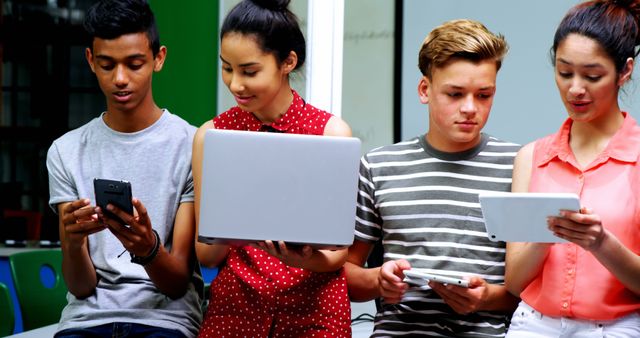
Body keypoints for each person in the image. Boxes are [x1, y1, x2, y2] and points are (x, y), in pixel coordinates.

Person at [344, 19, 521, 337]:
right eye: (455, 94)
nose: (470, 108)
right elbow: (346, 275)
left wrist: (486, 298)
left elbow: (539, 292)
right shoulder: (378, 166)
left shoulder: (519, 166)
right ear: (425, 90)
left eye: (484, 95)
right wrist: (379, 281)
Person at [192, 0, 353, 336]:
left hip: (314, 309)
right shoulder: (212, 136)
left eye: (249, 71)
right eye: (227, 68)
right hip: (236, 308)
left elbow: (337, 255)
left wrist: (298, 260)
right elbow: (206, 254)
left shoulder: (331, 134)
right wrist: (229, 209)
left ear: (288, 62)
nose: (235, 84)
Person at [46, 0, 202, 337]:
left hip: (165, 321)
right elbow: (82, 287)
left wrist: (147, 247)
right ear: (90, 61)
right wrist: (73, 244)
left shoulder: (192, 146)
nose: (120, 79)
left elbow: (176, 284)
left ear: (159, 58)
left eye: (134, 64)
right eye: (106, 65)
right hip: (87, 322)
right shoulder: (66, 151)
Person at [505, 0, 640, 336]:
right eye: (564, 72)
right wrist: (547, 233)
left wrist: (600, 243)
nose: (575, 88)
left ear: (625, 71)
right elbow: (514, 281)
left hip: (613, 327)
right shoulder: (532, 156)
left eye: (592, 76)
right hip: (532, 324)